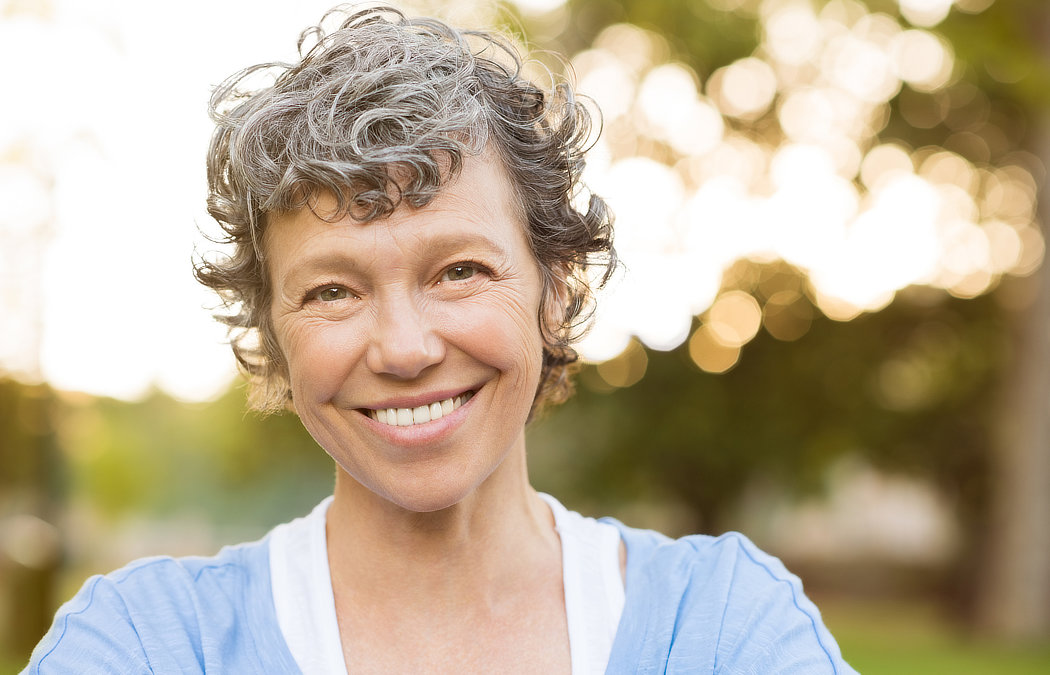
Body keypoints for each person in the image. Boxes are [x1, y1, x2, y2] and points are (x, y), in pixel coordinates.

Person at [25, 6, 856, 673]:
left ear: (555, 289)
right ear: (273, 339)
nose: (405, 346)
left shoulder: (720, 627)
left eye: (458, 270)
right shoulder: (148, 644)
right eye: (332, 290)